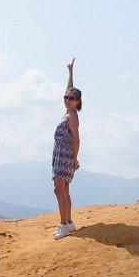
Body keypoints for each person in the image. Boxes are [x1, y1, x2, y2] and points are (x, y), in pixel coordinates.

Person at [52, 58, 82, 239]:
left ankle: (64, 224)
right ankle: (68, 222)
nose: (67, 99)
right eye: (66, 97)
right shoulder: (68, 112)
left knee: (58, 188)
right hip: (59, 153)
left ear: (77, 102)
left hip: (65, 154)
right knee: (64, 190)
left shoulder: (71, 116)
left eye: (71, 98)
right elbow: (68, 89)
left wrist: (74, 159)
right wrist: (70, 73)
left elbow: (77, 140)